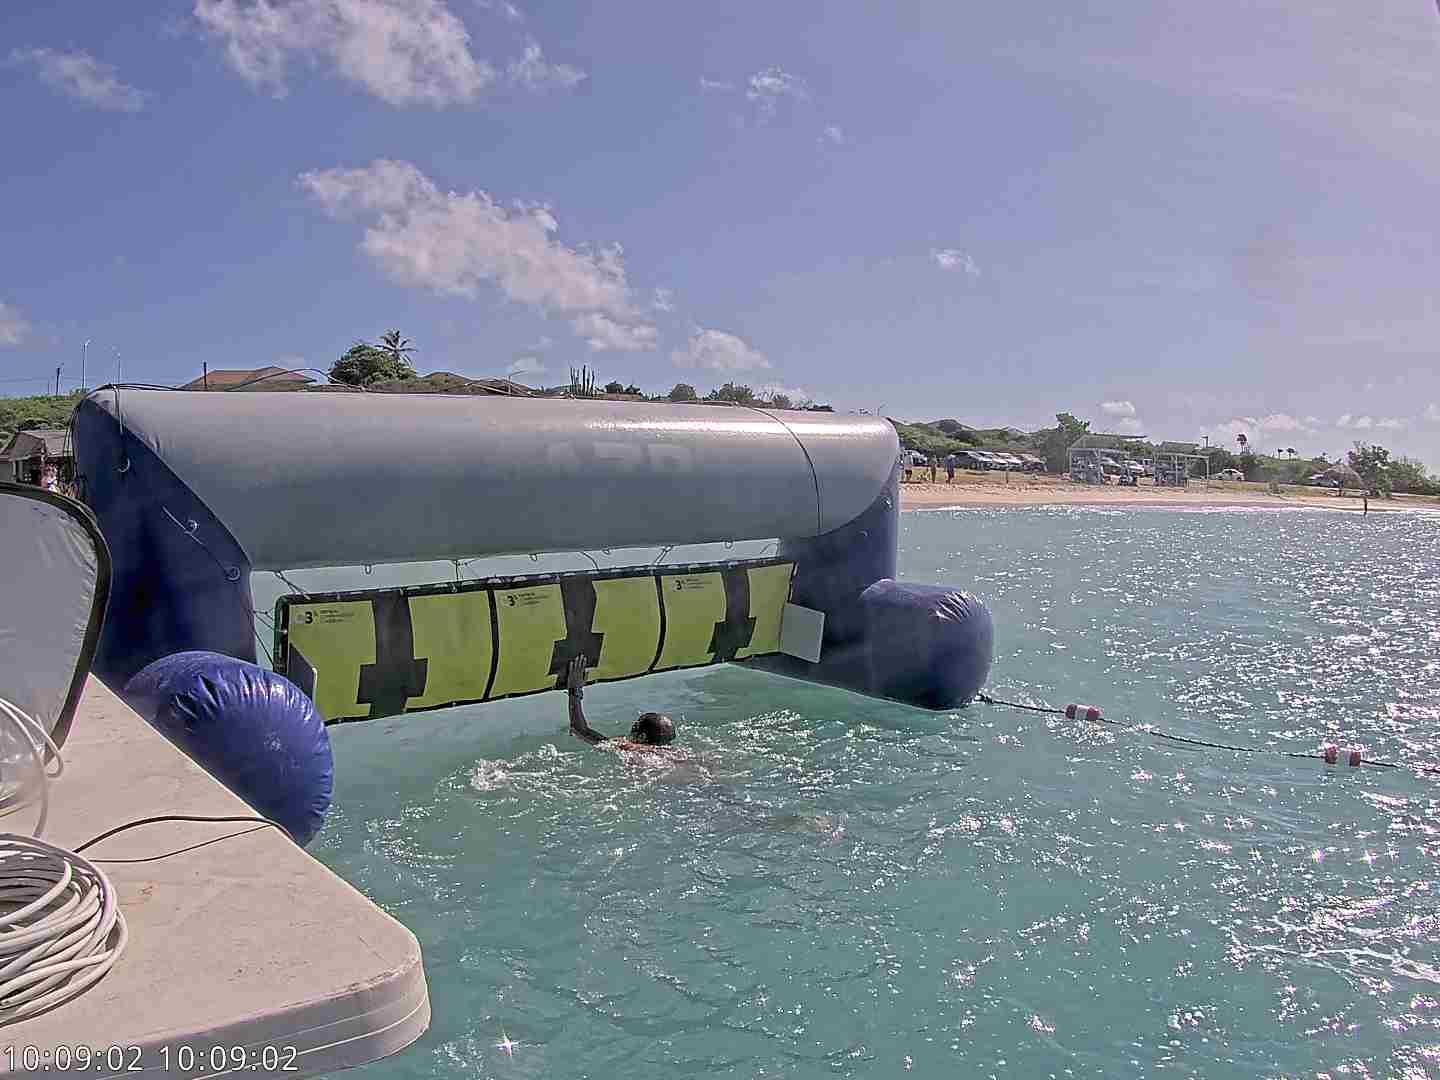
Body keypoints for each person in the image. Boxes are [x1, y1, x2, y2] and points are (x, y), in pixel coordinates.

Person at [565, 656, 676, 751]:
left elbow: (579, 730)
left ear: (642, 737)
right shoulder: (678, 754)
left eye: (635, 727)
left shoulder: (632, 748)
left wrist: (574, 689)